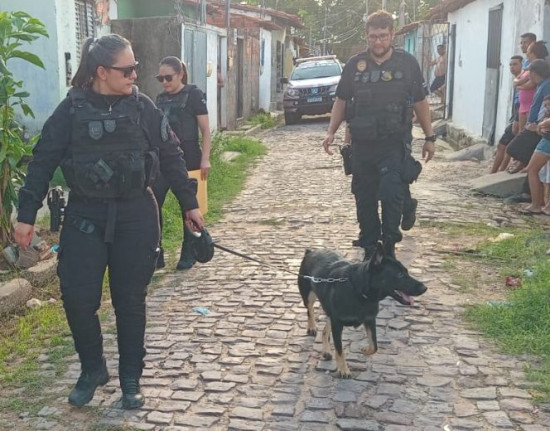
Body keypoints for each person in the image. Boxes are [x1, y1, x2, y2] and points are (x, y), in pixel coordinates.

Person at [14, 34, 204, 409]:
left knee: (130, 301)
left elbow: (171, 155)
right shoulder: (71, 110)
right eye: (128, 68)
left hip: (135, 214)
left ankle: (131, 377)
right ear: (101, 72)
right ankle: (92, 369)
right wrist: (25, 215)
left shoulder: (142, 107)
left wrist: (189, 204)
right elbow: (43, 161)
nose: (136, 74)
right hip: (86, 215)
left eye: (136, 67)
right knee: (78, 298)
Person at [322, 10, 435, 259]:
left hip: (394, 142)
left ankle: (389, 246)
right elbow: (341, 101)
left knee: (390, 192)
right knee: (364, 195)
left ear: (392, 35)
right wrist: (331, 132)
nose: (378, 42)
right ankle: (371, 243)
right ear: (367, 36)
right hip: (363, 144)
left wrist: (430, 137)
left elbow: (420, 102)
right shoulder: (355, 65)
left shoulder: (407, 64)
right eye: (373, 36)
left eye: (383, 36)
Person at [153, 56, 212, 270]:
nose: (165, 82)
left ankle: (189, 251)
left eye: (168, 77)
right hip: (164, 160)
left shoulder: (194, 94)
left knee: (188, 207)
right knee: (153, 203)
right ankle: (156, 251)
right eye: (161, 78)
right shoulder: (159, 99)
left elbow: (205, 130)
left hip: (190, 157)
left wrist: (205, 158)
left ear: (180, 75)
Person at [507, 58, 550, 174]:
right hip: (534, 124)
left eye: (530, 73)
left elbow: (547, 108)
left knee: (513, 148)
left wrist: (538, 125)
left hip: (537, 126)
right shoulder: (541, 84)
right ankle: (525, 166)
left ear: (534, 73)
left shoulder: (546, 84)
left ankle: (524, 163)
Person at [491, 55, 523, 173]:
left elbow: (521, 103)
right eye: (510, 65)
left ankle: (494, 172)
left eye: (515, 64)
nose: (512, 67)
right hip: (516, 118)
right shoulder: (518, 80)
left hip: (519, 119)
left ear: (522, 65)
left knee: (502, 146)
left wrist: (517, 120)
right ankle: (500, 171)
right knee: (507, 147)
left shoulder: (522, 81)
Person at [522, 94, 550, 214]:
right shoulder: (546, 116)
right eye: (546, 106)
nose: (547, 108)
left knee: (532, 170)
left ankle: (536, 204)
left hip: (547, 143)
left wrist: (540, 125)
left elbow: (541, 125)